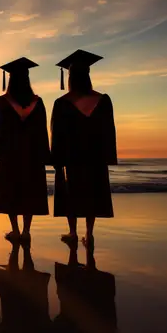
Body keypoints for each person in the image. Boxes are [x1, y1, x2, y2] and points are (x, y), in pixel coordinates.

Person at [51, 50, 118, 246]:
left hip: (71, 158)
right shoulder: (103, 100)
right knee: (92, 194)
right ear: (88, 76)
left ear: (70, 78)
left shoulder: (62, 103)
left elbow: (56, 134)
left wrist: (56, 159)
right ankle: (89, 234)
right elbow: (109, 131)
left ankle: (72, 233)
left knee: (71, 195)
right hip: (95, 158)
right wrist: (107, 156)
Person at [0, 57, 50, 242]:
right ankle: (26, 231)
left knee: (12, 192)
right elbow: (42, 132)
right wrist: (45, 155)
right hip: (32, 156)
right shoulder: (37, 102)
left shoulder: (2, 101)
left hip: (10, 156)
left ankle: (15, 230)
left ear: (10, 80)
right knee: (29, 192)